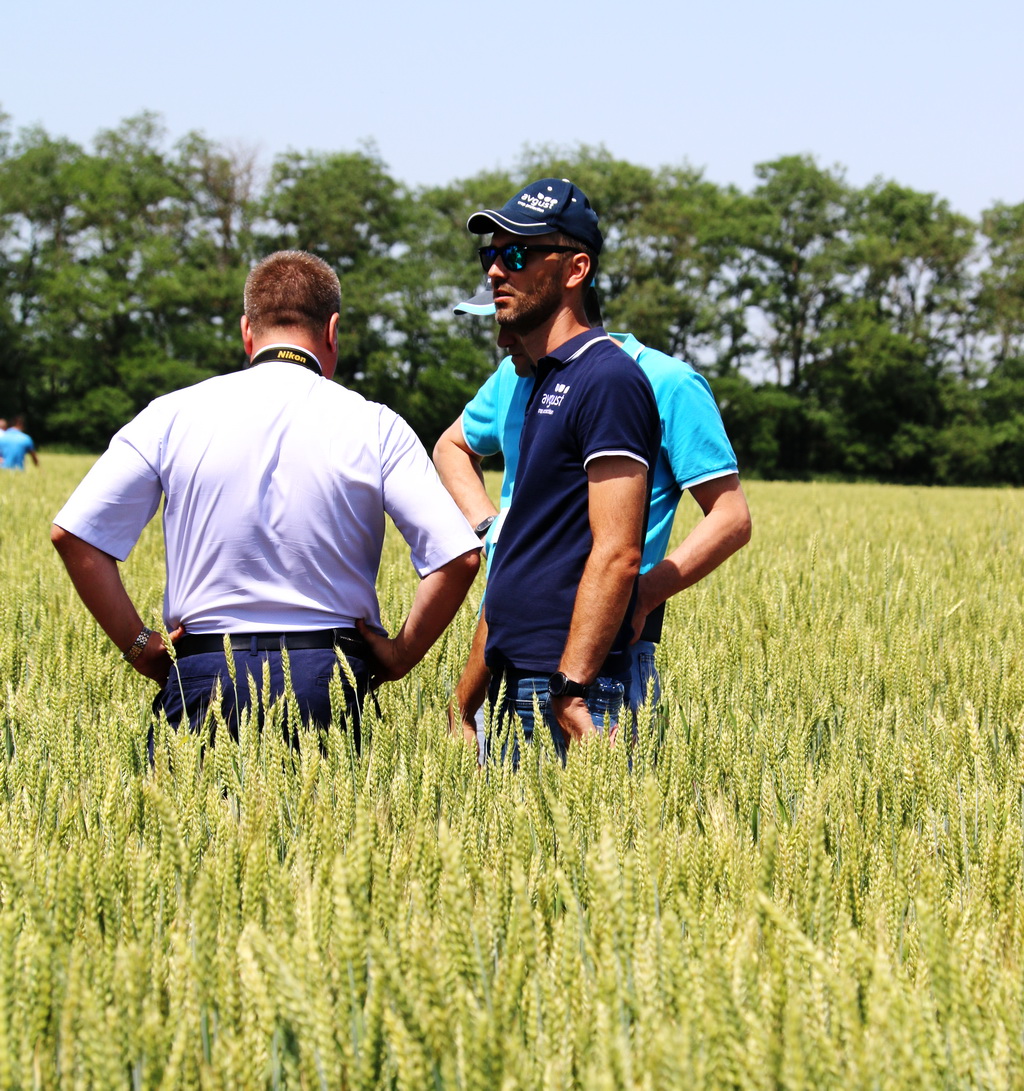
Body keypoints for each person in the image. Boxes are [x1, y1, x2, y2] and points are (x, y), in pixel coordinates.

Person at [51, 250, 480, 747]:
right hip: (329, 676)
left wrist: (140, 645)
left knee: (190, 803)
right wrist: (400, 655)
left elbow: (74, 534)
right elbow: (459, 557)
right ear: (333, 331)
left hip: (204, 671)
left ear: (246, 331)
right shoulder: (376, 424)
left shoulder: (171, 414)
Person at [436, 293, 751, 750]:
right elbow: (451, 446)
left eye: (516, 323)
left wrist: (643, 595)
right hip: (505, 640)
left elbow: (731, 516)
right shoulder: (514, 374)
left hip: (604, 654)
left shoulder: (666, 382)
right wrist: (493, 530)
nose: (504, 339)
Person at [461, 178, 661, 759]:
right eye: (491, 254)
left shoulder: (608, 379)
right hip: (520, 678)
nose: (496, 270)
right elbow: (523, 550)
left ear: (576, 269)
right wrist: (467, 698)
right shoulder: (545, 379)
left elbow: (618, 551)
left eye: (518, 254)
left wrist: (570, 689)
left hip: (563, 689)